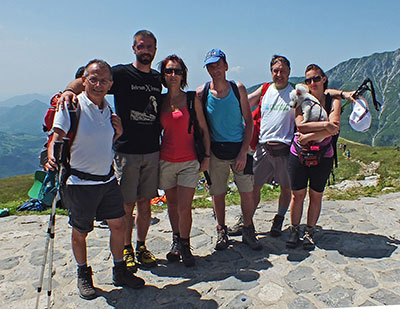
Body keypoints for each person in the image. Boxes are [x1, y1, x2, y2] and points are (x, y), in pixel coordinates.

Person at [59, 30, 161, 270]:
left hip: (152, 149)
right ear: (134, 48)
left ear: (155, 50)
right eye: (141, 46)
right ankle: (125, 249)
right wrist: (68, 92)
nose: (145, 50)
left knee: (145, 202)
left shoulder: (157, 78)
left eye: (149, 47)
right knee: (126, 205)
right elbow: (88, 77)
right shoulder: (121, 73)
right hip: (126, 150)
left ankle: (142, 246)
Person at [45, 60, 145, 300]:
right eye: (93, 79)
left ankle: (119, 270)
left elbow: (102, 143)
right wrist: (51, 157)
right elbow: (56, 137)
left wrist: (117, 134)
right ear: (84, 80)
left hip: (107, 180)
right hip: (80, 183)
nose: (98, 85)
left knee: (119, 224)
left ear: (110, 84)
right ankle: (83, 274)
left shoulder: (107, 109)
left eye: (103, 81)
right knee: (81, 231)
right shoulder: (72, 106)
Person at [196, 49, 261, 251]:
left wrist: (243, 152)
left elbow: (248, 122)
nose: (215, 69)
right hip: (216, 151)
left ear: (226, 66)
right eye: (210, 66)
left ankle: (248, 229)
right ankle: (221, 230)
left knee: (247, 193)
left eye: (217, 65)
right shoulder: (202, 93)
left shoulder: (237, 88)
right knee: (218, 194)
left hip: (239, 148)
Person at [230, 55, 295, 238]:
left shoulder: (295, 93)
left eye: (282, 70)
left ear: (289, 72)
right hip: (263, 149)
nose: (279, 74)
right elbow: (246, 102)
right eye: (275, 70)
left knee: (286, 188)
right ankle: (246, 221)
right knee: (253, 188)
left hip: (285, 150)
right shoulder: (265, 89)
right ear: (271, 72)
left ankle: (279, 219)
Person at [158, 54, 210, 266]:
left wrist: (206, 157)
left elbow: (204, 130)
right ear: (163, 75)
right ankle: (176, 241)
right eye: (169, 71)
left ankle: (185, 246)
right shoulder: (160, 101)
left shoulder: (191, 100)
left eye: (177, 71)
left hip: (189, 161)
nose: (173, 75)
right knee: (171, 205)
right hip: (166, 160)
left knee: (184, 207)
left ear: (183, 75)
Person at [286, 64, 341, 250]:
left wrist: (309, 136)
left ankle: (309, 231)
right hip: (299, 155)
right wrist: (325, 127)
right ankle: (294, 230)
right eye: (308, 80)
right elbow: (300, 126)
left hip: (322, 155)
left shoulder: (334, 102)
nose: (312, 83)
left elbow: (334, 128)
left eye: (316, 78)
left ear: (324, 79)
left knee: (316, 195)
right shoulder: (301, 100)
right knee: (297, 195)